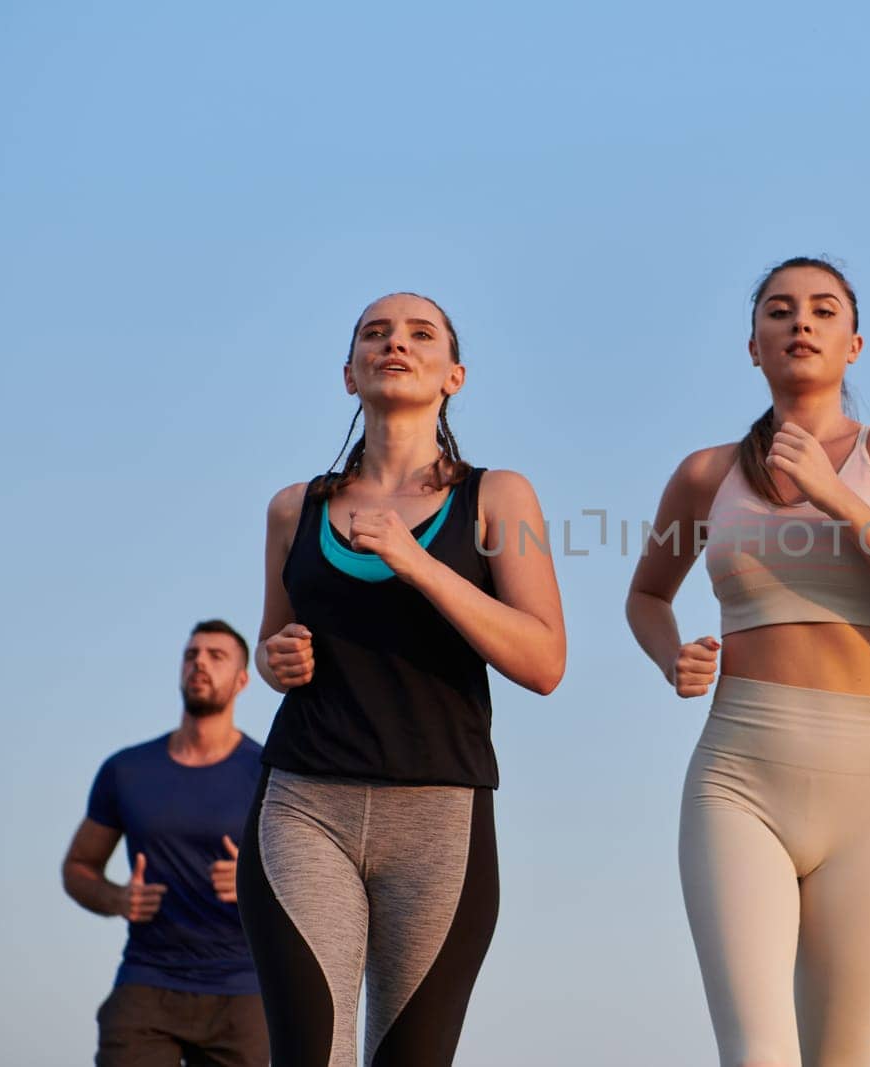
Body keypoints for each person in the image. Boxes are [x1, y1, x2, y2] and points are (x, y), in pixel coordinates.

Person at [626, 257, 870, 1066]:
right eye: (780, 312)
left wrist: (838, 496)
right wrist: (671, 653)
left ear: (854, 343)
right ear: (754, 346)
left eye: (823, 310)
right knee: (757, 1056)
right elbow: (646, 596)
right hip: (739, 779)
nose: (801, 323)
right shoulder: (705, 475)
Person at [237, 291, 566, 1067]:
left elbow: (544, 660)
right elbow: (269, 642)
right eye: (375, 334)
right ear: (348, 375)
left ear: (454, 374)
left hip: (438, 816)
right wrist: (274, 658)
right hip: (303, 802)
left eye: (421, 334)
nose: (396, 344)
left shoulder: (499, 496)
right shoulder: (295, 507)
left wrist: (418, 563)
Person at [62, 619, 268, 1067]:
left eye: (216, 656)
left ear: (242, 680)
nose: (200, 663)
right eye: (192, 654)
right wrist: (118, 898)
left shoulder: (269, 773)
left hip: (242, 992)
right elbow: (78, 866)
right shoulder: (127, 771)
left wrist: (256, 881)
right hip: (146, 982)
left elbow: (318, 880)